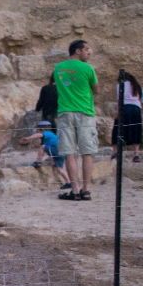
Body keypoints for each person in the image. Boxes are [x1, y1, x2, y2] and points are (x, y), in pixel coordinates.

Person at [52, 40, 99, 202]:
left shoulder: (58, 68)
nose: (89, 52)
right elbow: (96, 89)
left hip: (65, 112)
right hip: (85, 112)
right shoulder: (88, 68)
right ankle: (86, 190)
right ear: (77, 51)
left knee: (69, 153)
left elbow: (58, 86)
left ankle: (75, 190)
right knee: (87, 152)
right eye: (87, 49)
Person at [19, 121, 72, 189]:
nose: (37, 130)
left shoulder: (47, 133)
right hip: (61, 152)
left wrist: (28, 138)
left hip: (57, 150)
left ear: (42, 129)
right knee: (59, 168)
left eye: (38, 129)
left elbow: (39, 135)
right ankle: (69, 182)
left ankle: (38, 162)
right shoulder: (52, 135)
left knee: (43, 147)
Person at [110, 72, 143, 163]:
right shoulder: (137, 86)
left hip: (125, 108)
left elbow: (119, 100)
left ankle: (115, 152)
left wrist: (118, 112)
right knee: (136, 130)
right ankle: (136, 154)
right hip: (136, 109)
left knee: (117, 129)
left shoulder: (120, 85)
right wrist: (138, 106)